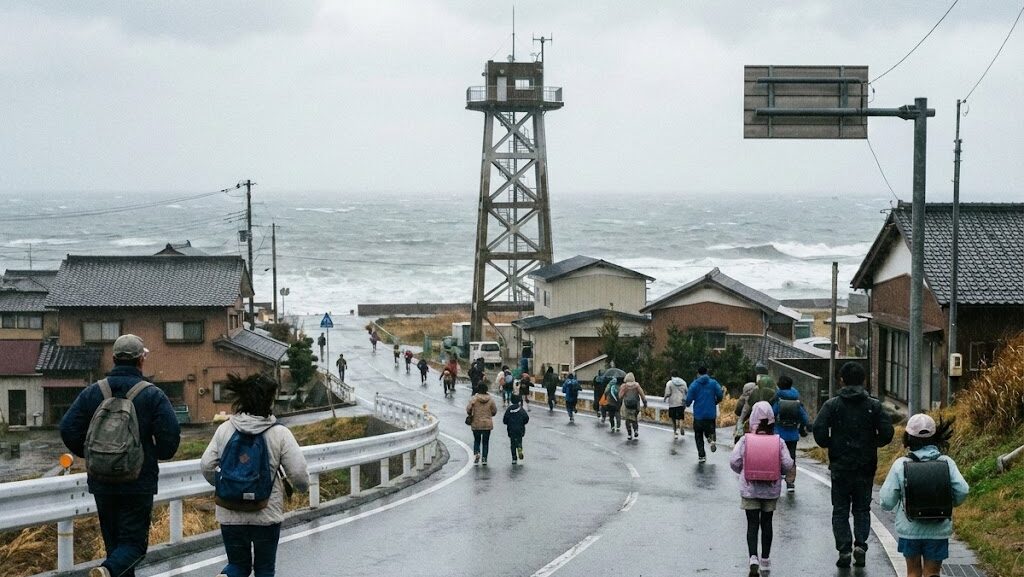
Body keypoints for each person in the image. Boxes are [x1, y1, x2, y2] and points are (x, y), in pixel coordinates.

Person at [59, 335, 181, 577]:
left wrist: (92, 454)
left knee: (115, 545)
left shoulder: (93, 392)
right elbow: (170, 438)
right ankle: (105, 570)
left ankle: (108, 569)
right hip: (137, 481)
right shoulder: (152, 395)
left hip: (102, 480)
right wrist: (151, 454)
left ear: (114, 359)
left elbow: (67, 428)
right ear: (141, 360)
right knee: (134, 546)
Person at [201, 373, 309, 577]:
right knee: (264, 568)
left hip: (230, 511)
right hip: (266, 512)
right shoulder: (279, 433)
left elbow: (206, 465)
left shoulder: (225, 429)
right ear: (269, 401)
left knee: (237, 565)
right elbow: (298, 473)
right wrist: (303, 489)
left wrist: (228, 485)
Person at [813, 361, 894, 568]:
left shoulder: (832, 405)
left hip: (840, 465)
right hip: (865, 465)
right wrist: (873, 443)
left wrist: (830, 443)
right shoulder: (874, 406)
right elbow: (887, 432)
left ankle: (844, 549)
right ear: (864, 381)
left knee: (840, 509)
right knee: (862, 508)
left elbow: (819, 430)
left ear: (841, 380)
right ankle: (860, 545)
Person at [879, 414, 969, 577]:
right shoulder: (946, 462)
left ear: (908, 437)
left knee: (913, 572)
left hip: (909, 530)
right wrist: (948, 503)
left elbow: (886, 500)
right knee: (933, 573)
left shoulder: (901, 465)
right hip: (938, 530)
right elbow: (962, 490)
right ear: (934, 436)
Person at [729, 401, 794, 577]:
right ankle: (765, 560)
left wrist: (743, 471)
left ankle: (753, 558)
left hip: (750, 489)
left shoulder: (745, 440)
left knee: (752, 524)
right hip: (770, 490)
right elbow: (787, 464)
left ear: (753, 419)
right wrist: (778, 471)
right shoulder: (778, 441)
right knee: (767, 523)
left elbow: (734, 461)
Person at [772, 375, 809, 492]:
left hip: (778, 434)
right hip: (793, 435)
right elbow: (805, 418)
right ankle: (790, 482)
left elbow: (771, 414)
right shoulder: (796, 401)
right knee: (792, 457)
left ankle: (775, 479)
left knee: (776, 457)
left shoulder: (778, 400)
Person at [685, 365, 723, 463]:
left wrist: (687, 403)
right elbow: (720, 394)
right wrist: (716, 401)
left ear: (698, 373)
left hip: (699, 415)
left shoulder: (694, 385)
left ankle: (701, 455)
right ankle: (712, 440)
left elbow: (688, 399)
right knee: (710, 430)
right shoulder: (713, 383)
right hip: (710, 414)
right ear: (707, 373)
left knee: (698, 435)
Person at [466, 382, 497, 465]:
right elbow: (494, 411)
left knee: (477, 440)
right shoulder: (490, 400)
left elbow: (468, 409)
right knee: (485, 442)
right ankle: (484, 459)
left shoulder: (474, 399)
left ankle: (477, 453)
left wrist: (471, 413)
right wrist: (489, 414)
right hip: (487, 423)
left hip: (476, 423)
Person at [619, 372, 647, 440]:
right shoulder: (637, 385)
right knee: (635, 418)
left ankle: (629, 434)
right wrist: (645, 403)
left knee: (627, 419)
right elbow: (642, 394)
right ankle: (636, 430)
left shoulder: (624, 386)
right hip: (635, 405)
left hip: (627, 405)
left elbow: (620, 396)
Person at [503, 394, 530, 464]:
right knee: (519, 441)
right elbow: (526, 418)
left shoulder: (509, 409)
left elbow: (505, 420)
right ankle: (519, 448)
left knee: (512, 444)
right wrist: (523, 423)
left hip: (511, 429)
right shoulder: (521, 409)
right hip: (520, 428)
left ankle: (514, 458)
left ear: (511, 400)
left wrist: (508, 423)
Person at [664, 371, 688, 438]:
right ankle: (681, 426)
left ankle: (675, 433)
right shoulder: (683, 382)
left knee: (673, 418)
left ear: (671, 375)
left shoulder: (669, 383)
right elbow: (687, 391)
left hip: (672, 403)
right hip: (681, 402)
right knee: (681, 417)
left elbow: (668, 393)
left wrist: (665, 397)